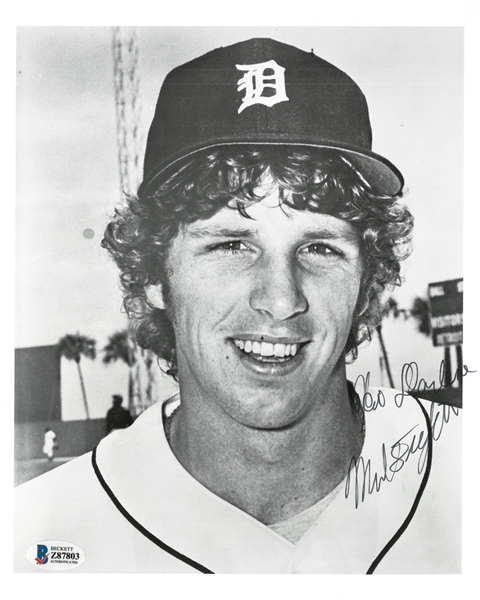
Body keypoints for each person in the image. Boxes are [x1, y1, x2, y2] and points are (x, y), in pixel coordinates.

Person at [14, 37, 461, 574]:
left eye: (320, 248)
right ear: (156, 275)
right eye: (230, 245)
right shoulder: (35, 542)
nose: (280, 299)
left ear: (367, 282)